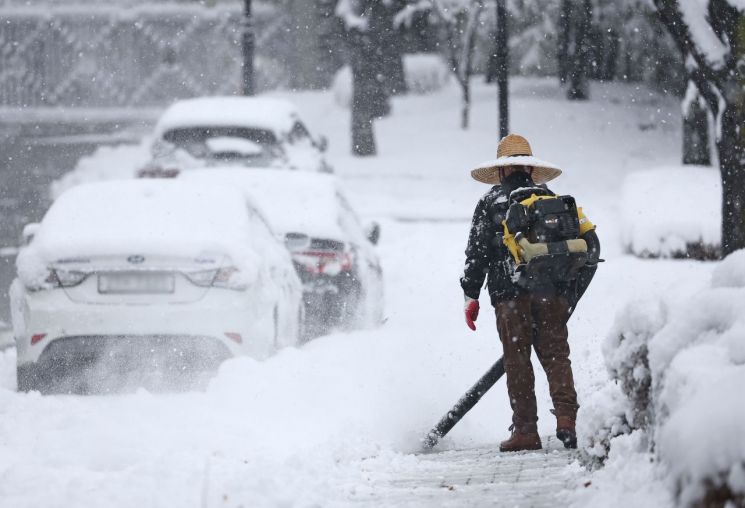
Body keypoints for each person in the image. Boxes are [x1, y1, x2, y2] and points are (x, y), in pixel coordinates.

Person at [460, 134, 600, 452]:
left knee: (517, 360)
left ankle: (526, 430)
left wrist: (471, 296)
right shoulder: (551, 199)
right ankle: (567, 419)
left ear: (500, 172)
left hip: (509, 295)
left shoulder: (492, 202)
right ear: (530, 168)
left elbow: (476, 254)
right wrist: (567, 292)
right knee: (556, 356)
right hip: (551, 292)